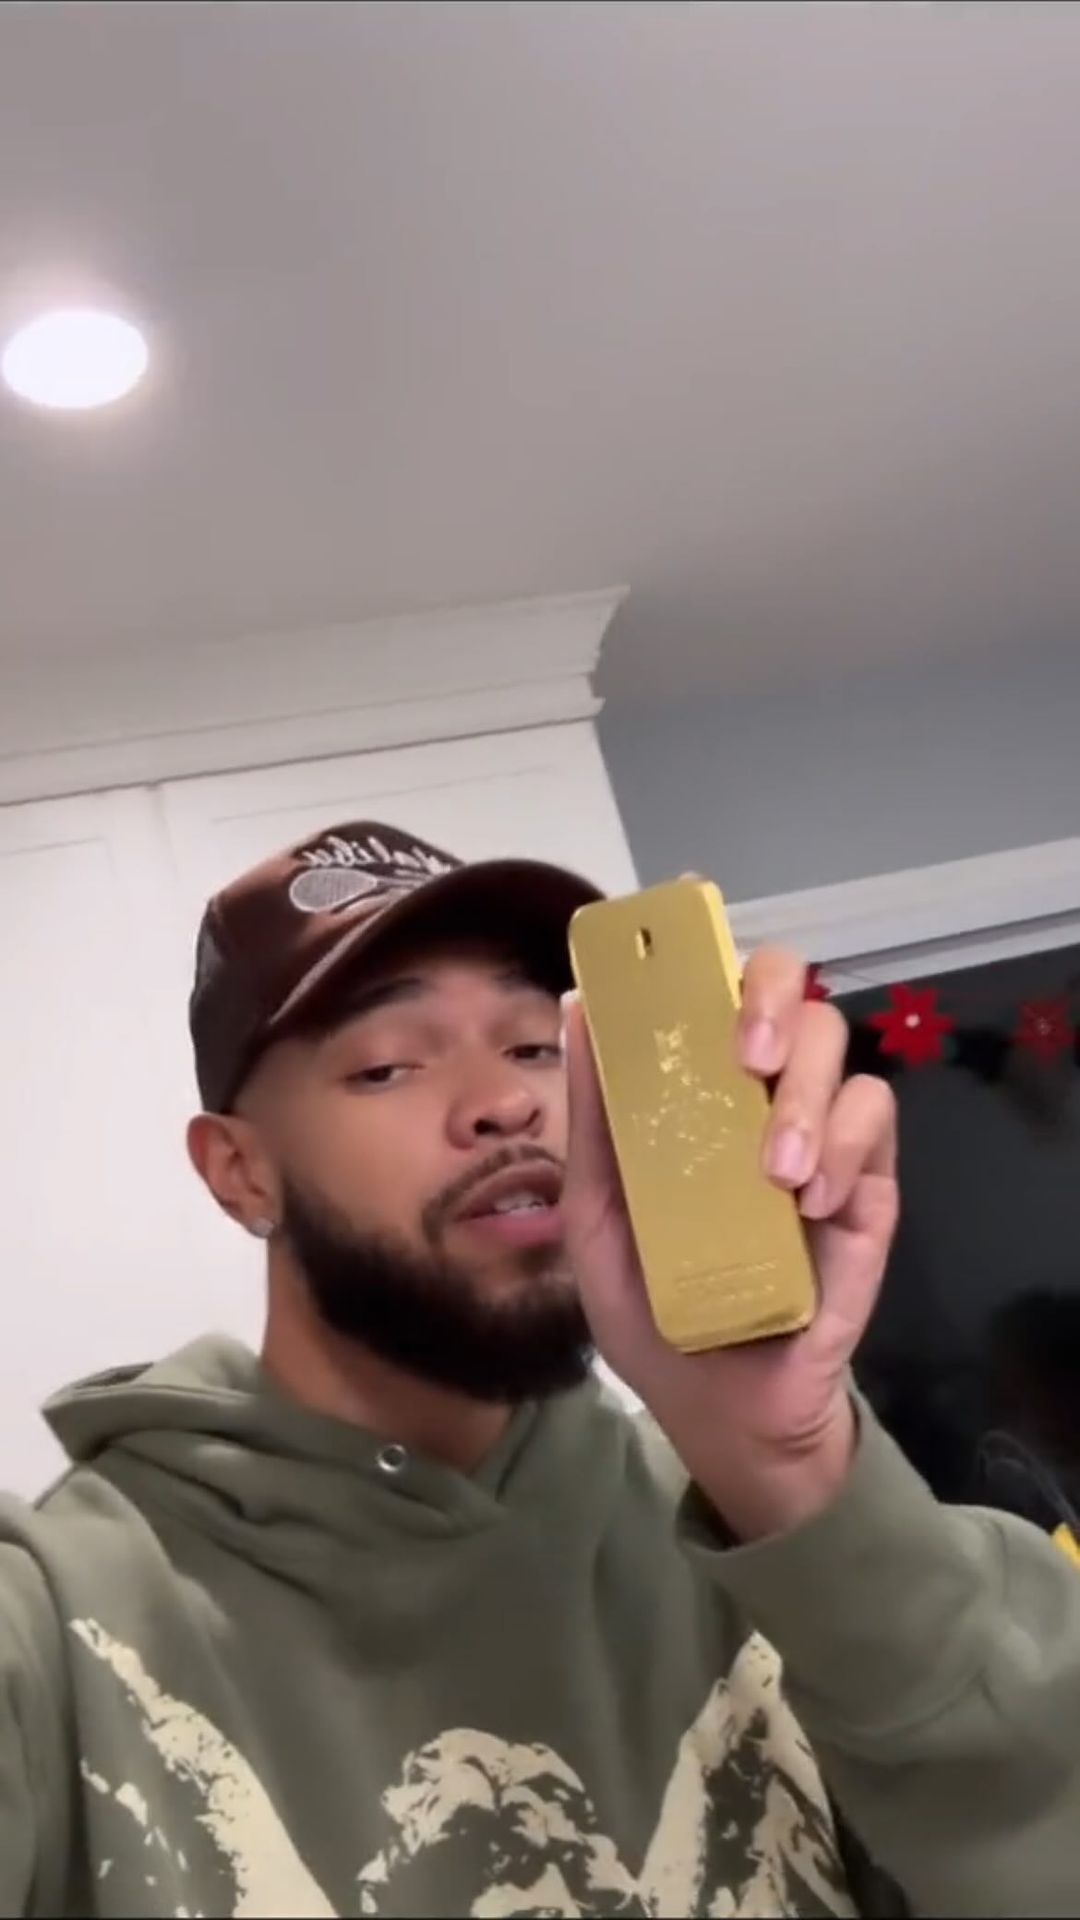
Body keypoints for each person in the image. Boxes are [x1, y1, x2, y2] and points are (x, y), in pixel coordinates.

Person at [0, 820, 1077, 1920]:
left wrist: (792, 1472)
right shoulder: (56, 1625)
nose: (507, 1103)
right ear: (239, 1170)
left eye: (533, 1048)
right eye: (387, 1065)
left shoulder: (756, 1527)